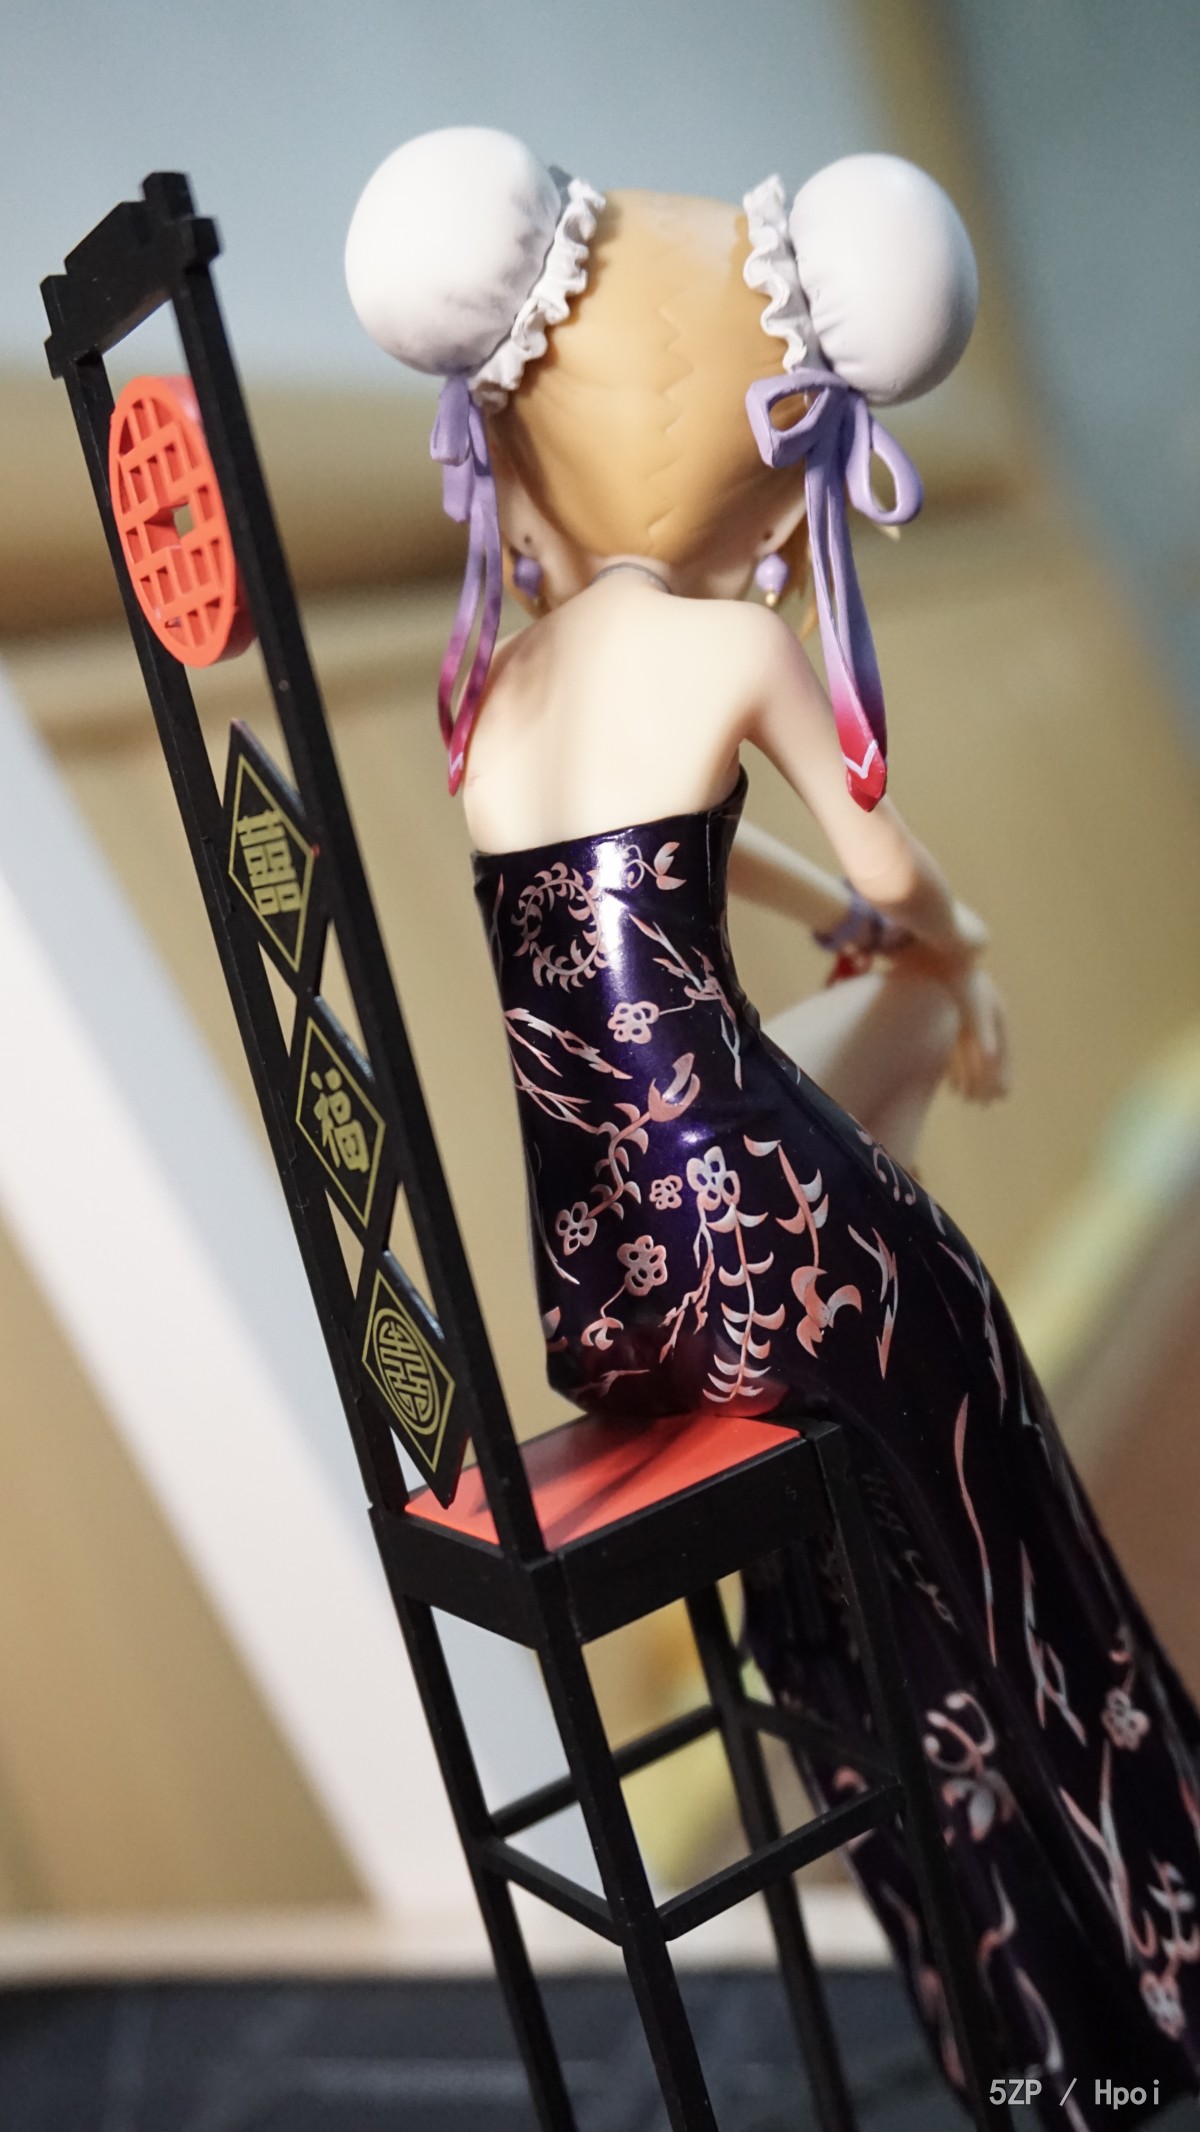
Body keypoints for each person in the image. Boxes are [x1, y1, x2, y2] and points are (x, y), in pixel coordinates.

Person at [347, 128, 1200, 2127]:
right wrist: (941, 938)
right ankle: (1138, 1951)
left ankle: (1003, 2007)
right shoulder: (735, 646)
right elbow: (889, 869)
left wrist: (837, 924)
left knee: (847, 1555)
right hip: (761, 1242)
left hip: (604, 1285)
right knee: (980, 1436)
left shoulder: (496, 699)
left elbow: (660, 871)